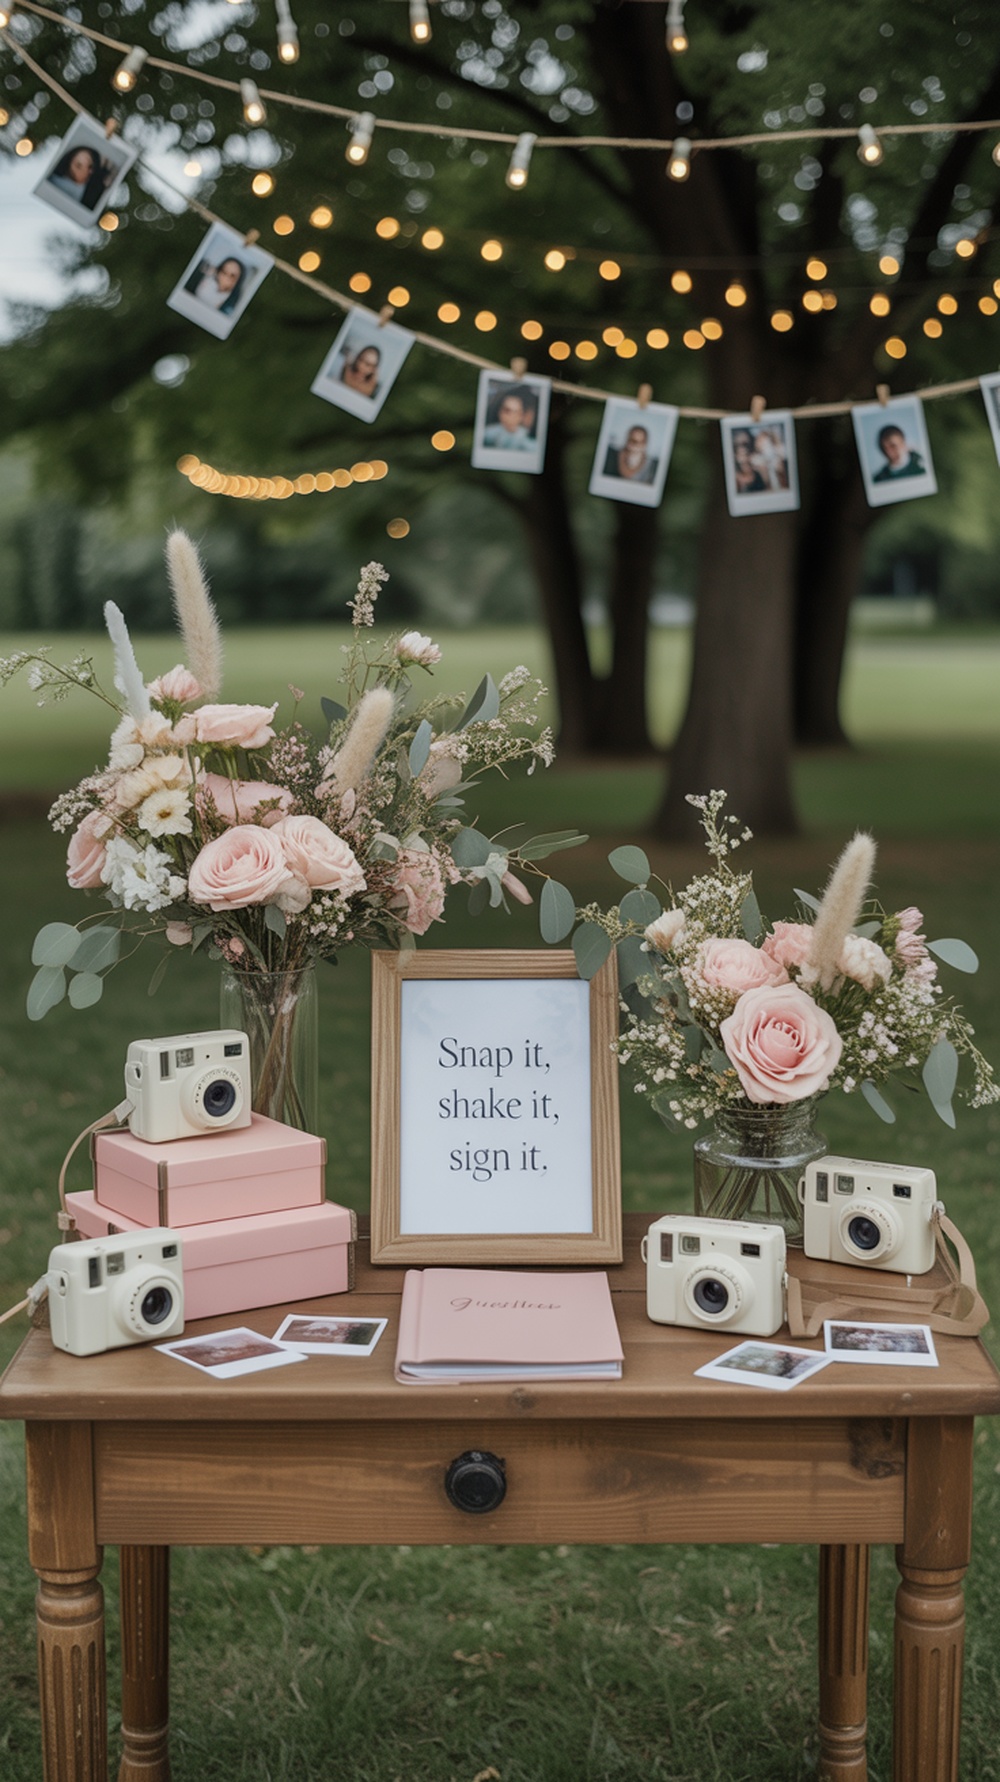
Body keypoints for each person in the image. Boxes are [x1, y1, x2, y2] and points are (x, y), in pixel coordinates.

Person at [47, 143, 110, 210]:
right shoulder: (53, 181)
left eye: (91, 166)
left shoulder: (96, 192)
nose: (89, 171)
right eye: (78, 166)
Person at [482, 385, 537, 450]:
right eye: (507, 411)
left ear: (521, 416)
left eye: (516, 412)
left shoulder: (529, 444)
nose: (512, 416)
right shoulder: (487, 434)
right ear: (500, 413)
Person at [749, 426, 788, 491]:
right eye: (761, 441)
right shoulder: (755, 459)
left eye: (767, 442)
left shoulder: (780, 452)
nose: (764, 445)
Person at [730, 428, 766, 494]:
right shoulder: (734, 476)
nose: (743, 449)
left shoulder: (758, 470)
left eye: (746, 444)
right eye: (738, 445)